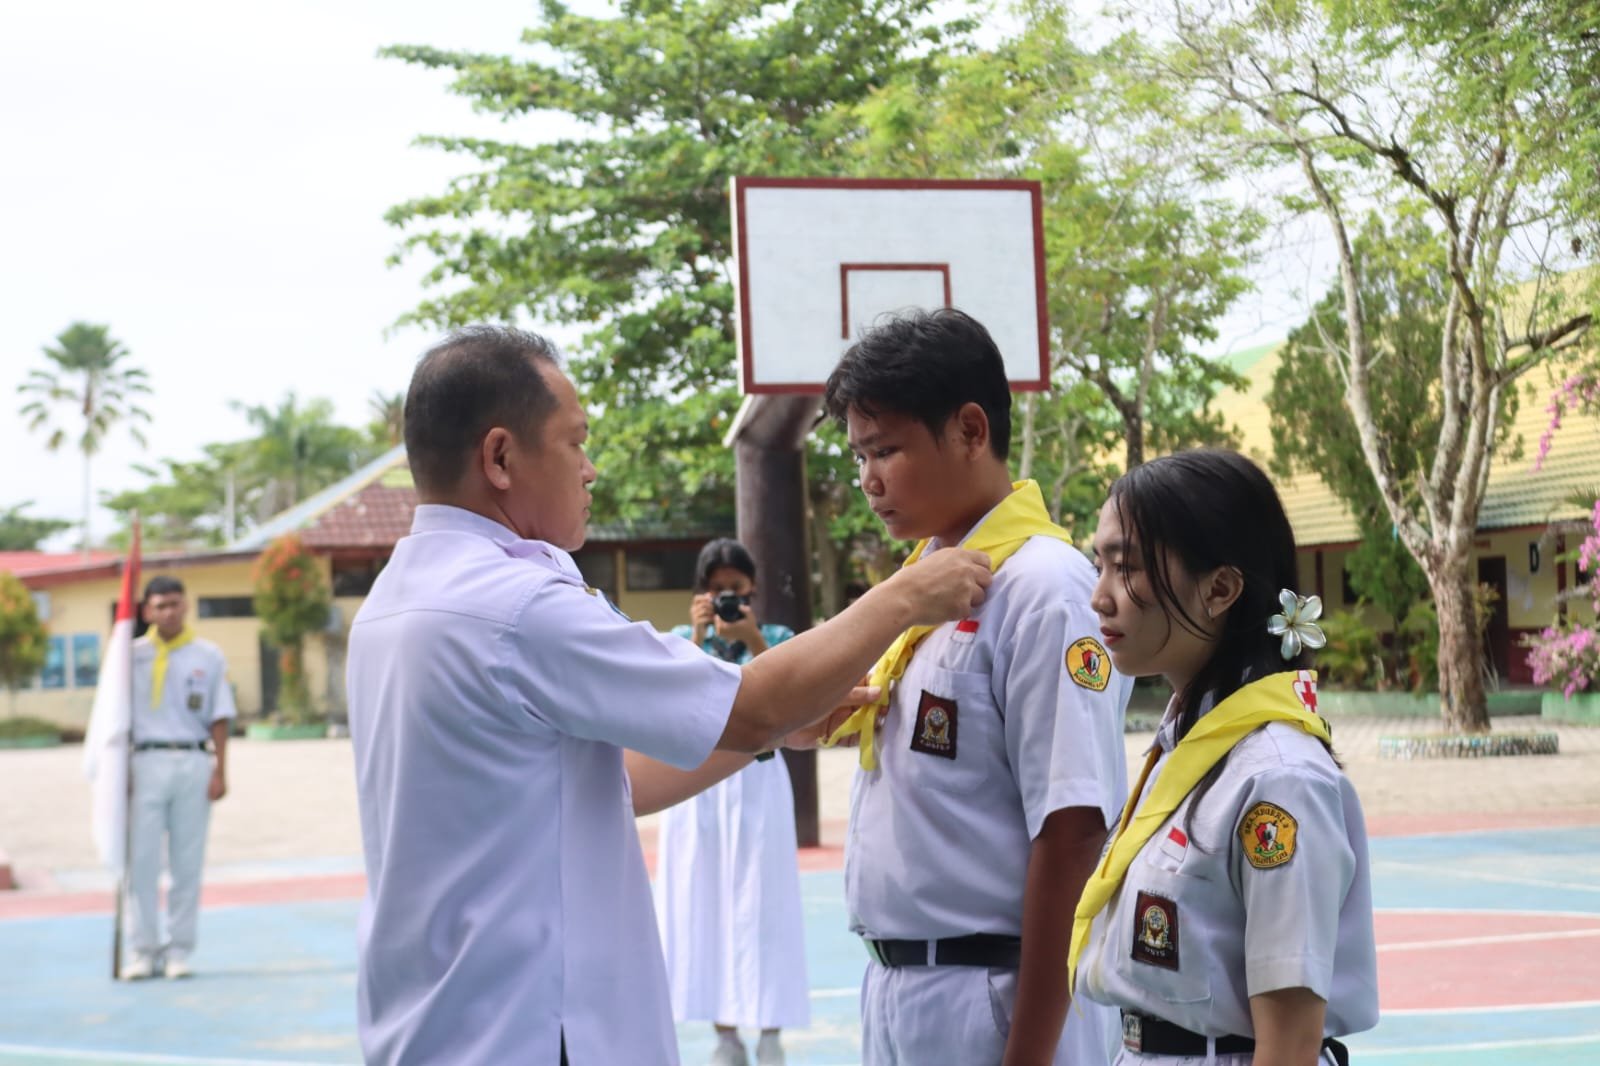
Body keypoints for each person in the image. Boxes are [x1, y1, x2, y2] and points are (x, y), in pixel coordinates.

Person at [345, 325, 992, 1066]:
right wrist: (906, 594)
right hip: (530, 1029)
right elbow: (748, 704)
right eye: (574, 443)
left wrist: (771, 736)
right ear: (500, 457)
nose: (589, 471)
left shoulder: (393, 601)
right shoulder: (517, 603)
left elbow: (610, 781)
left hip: (437, 1025)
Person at [810, 308, 1133, 1066]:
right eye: (859, 455)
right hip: (901, 987)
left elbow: (1074, 830)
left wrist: (1027, 1055)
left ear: (970, 430)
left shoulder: (1042, 589)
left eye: (886, 449)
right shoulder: (920, 587)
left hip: (994, 994)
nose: (868, 480)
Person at [1069, 449, 1379, 1065]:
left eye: (1125, 568)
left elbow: (1289, 1042)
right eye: (1097, 564)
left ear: (1220, 589)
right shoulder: (1188, 748)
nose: (1099, 597)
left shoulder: (1278, 779)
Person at [655, 538, 809, 1066]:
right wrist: (698, 637)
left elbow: (795, 701)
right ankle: (725, 1033)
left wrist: (751, 639)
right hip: (694, 789)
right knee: (703, 901)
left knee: (766, 903)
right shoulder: (678, 640)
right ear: (701, 594)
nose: (727, 599)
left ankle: (770, 1030)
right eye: (717, 591)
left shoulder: (779, 639)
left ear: (753, 592)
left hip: (758, 783)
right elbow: (673, 704)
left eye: (736, 591)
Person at [123, 575, 236, 980]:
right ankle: (143, 948)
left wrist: (220, 769)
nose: (169, 612)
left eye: (175, 603)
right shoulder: (128, 655)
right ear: (147, 611)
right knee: (141, 863)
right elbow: (113, 719)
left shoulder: (208, 655)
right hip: (143, 762)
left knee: (187, 863)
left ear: (185, 605)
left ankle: (179, 950)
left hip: (191, 760)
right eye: (160, 605)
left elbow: (220, 715)